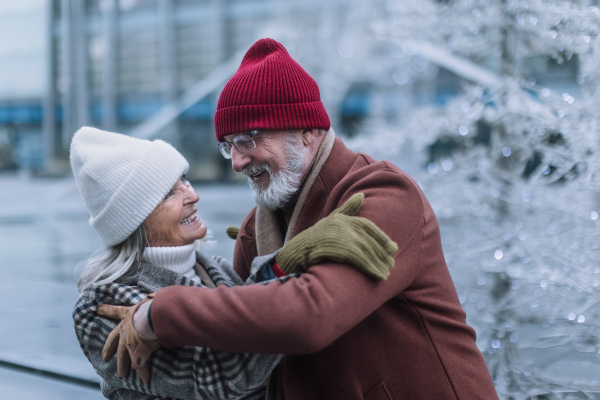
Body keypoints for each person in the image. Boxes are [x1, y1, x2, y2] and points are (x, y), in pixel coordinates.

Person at [100, 38, 500, 399]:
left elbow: (312, 315)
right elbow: (247, 346)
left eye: (249, 139)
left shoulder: (384, 196)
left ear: (307, 129)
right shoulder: (257, 230)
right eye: (228, 145)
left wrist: (160, 313)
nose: (237, 161)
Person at [70, 126, 398, 399]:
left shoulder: (214, 270)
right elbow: (224, 374)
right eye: (170, 194)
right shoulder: (100, 307)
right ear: (134, 221)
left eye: (184, 180)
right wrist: (284, 262)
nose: (192, 195)